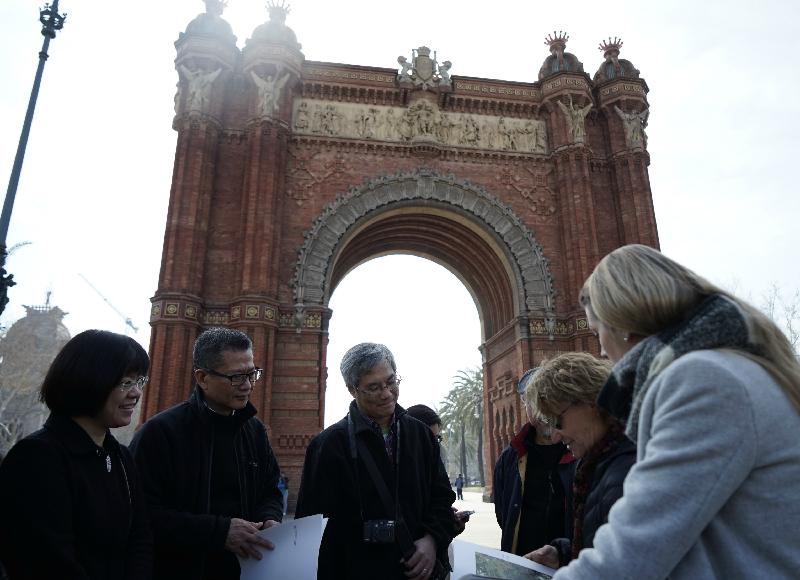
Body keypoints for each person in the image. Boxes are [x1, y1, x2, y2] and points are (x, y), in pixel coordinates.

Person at [553, 244, 800, 579]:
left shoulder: (703, 379)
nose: (600, 350)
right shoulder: (732, 367)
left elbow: (634, 553)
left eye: (598, 332)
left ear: (622, 323)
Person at [130, 328, 283, 580]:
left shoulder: (253, 430)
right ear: (202, 378)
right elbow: (142, 514)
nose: (247, 386)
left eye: (252, 374)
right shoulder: (160, 433)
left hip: (247, 569)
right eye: (236, 377)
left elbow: (270, 489)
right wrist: (218, 532)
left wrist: (270, 518)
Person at [295, 343, 456, 580]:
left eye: (391, 382)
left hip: (417, 571)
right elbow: (312, 525)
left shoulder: (420, 435)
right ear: (352, 389)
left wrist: (432, 540)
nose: (387, 393)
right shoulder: (328, 445)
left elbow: (442, 498)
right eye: (374, 387)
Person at [0, 330, 152, 579]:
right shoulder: (37, 458)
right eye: (126, 382)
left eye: (139, 382)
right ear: (88, 380)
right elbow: (46, 560)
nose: (136, 393)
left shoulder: (120, 458)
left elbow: (141, 539)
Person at [522, 353, 635, 569]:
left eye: (557, 421)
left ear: (588, 402)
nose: (555, 436)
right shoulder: (597, 463)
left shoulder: (628, 472)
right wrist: (563, 554)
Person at [493, 368, 575, 556]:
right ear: (526, 408)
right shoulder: (511, 457)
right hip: (523, 560)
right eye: (534, 405)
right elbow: (503, 514)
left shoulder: (578, 450)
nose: (542, 413)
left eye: (547, 403)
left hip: (570, 564)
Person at [406, 403, 470, 535]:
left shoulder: (433, 469)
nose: (434, 444)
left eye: (437, 438)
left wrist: (447, 521)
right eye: (429, 438)